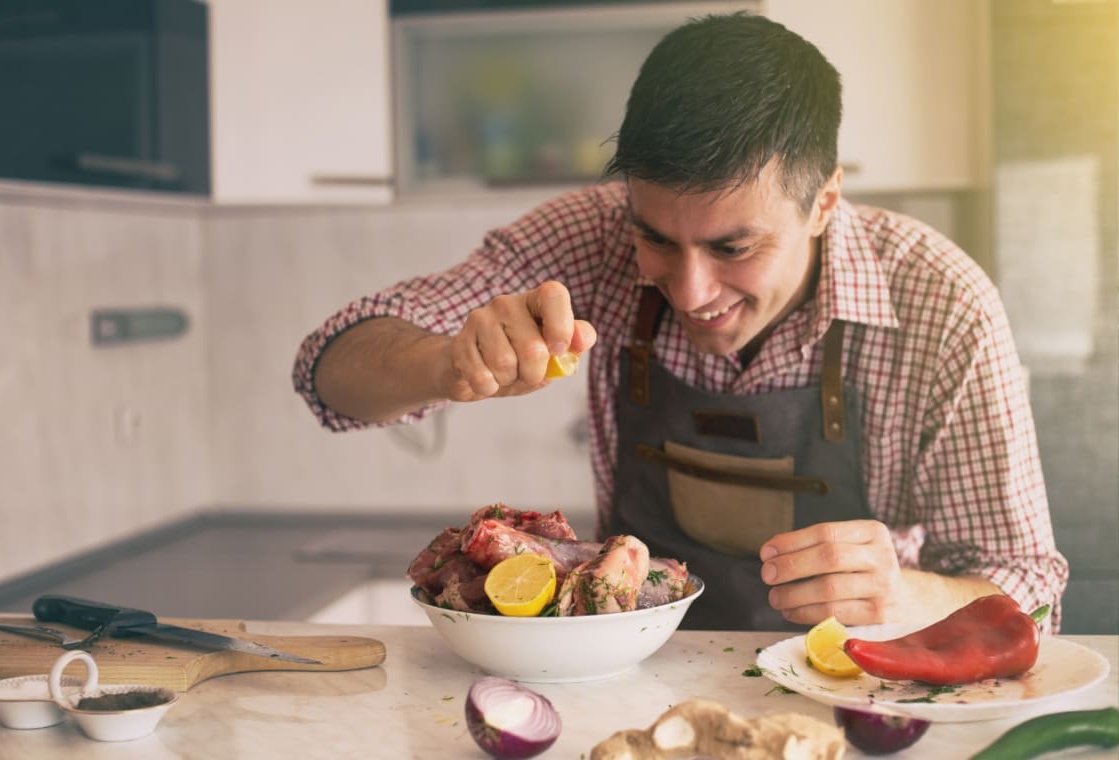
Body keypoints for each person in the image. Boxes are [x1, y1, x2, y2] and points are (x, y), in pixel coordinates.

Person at [292, 11, 1067, 631]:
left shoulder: (942, 306)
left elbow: (1031, 588)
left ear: (825, 201)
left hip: (855, 692)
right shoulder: (591, 235)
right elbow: (328, 368)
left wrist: (909, 597)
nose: (690, 291)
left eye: (734, 246)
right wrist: (445, 365)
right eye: (656, 237)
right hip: (628, 682)